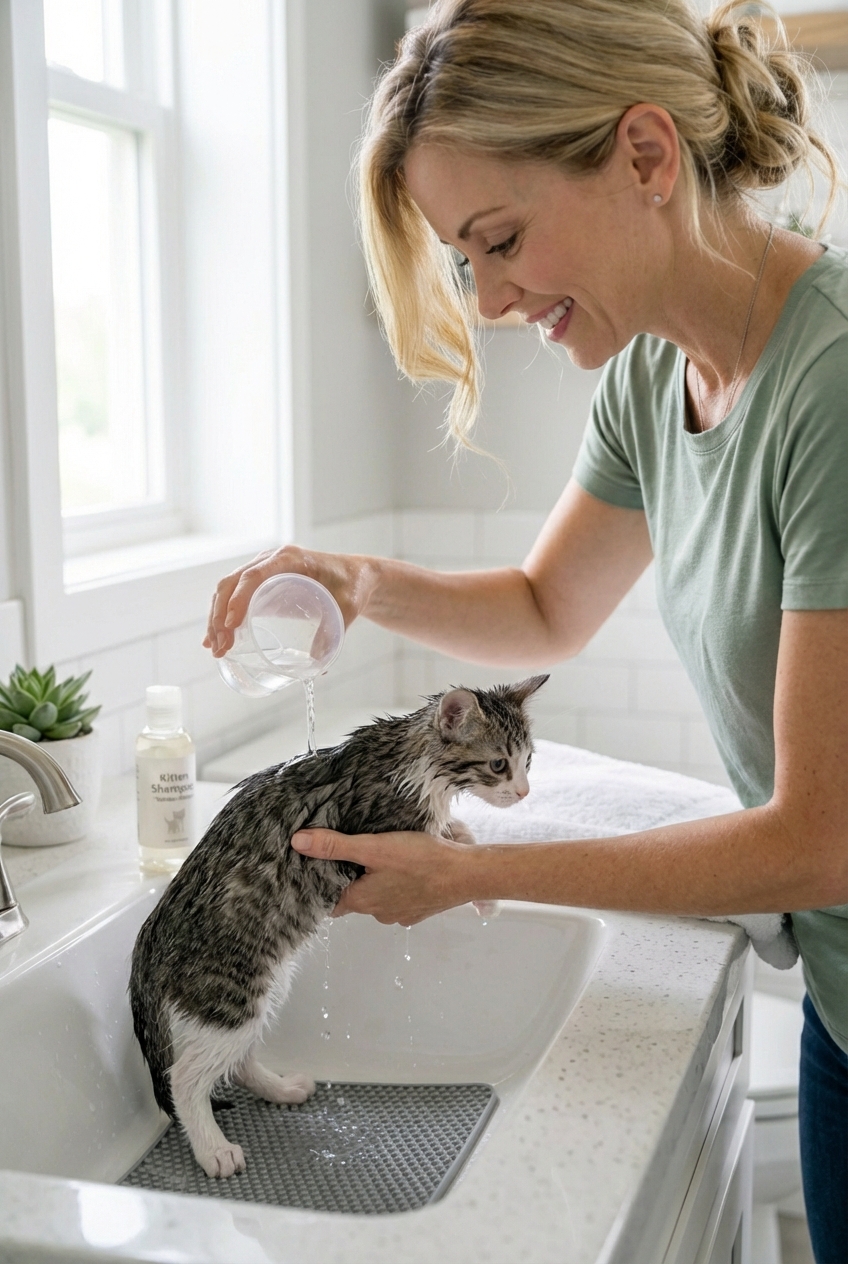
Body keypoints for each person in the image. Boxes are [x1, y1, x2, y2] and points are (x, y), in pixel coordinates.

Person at [204, 3, 847, 1257]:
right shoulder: (656, 378)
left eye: (498, 241)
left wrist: (470, 872)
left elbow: (820, 842)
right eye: (464, 261)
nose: (490, 299)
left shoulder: (828, 386)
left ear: (645, 158)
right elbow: (547, 605)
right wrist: (361, 580)